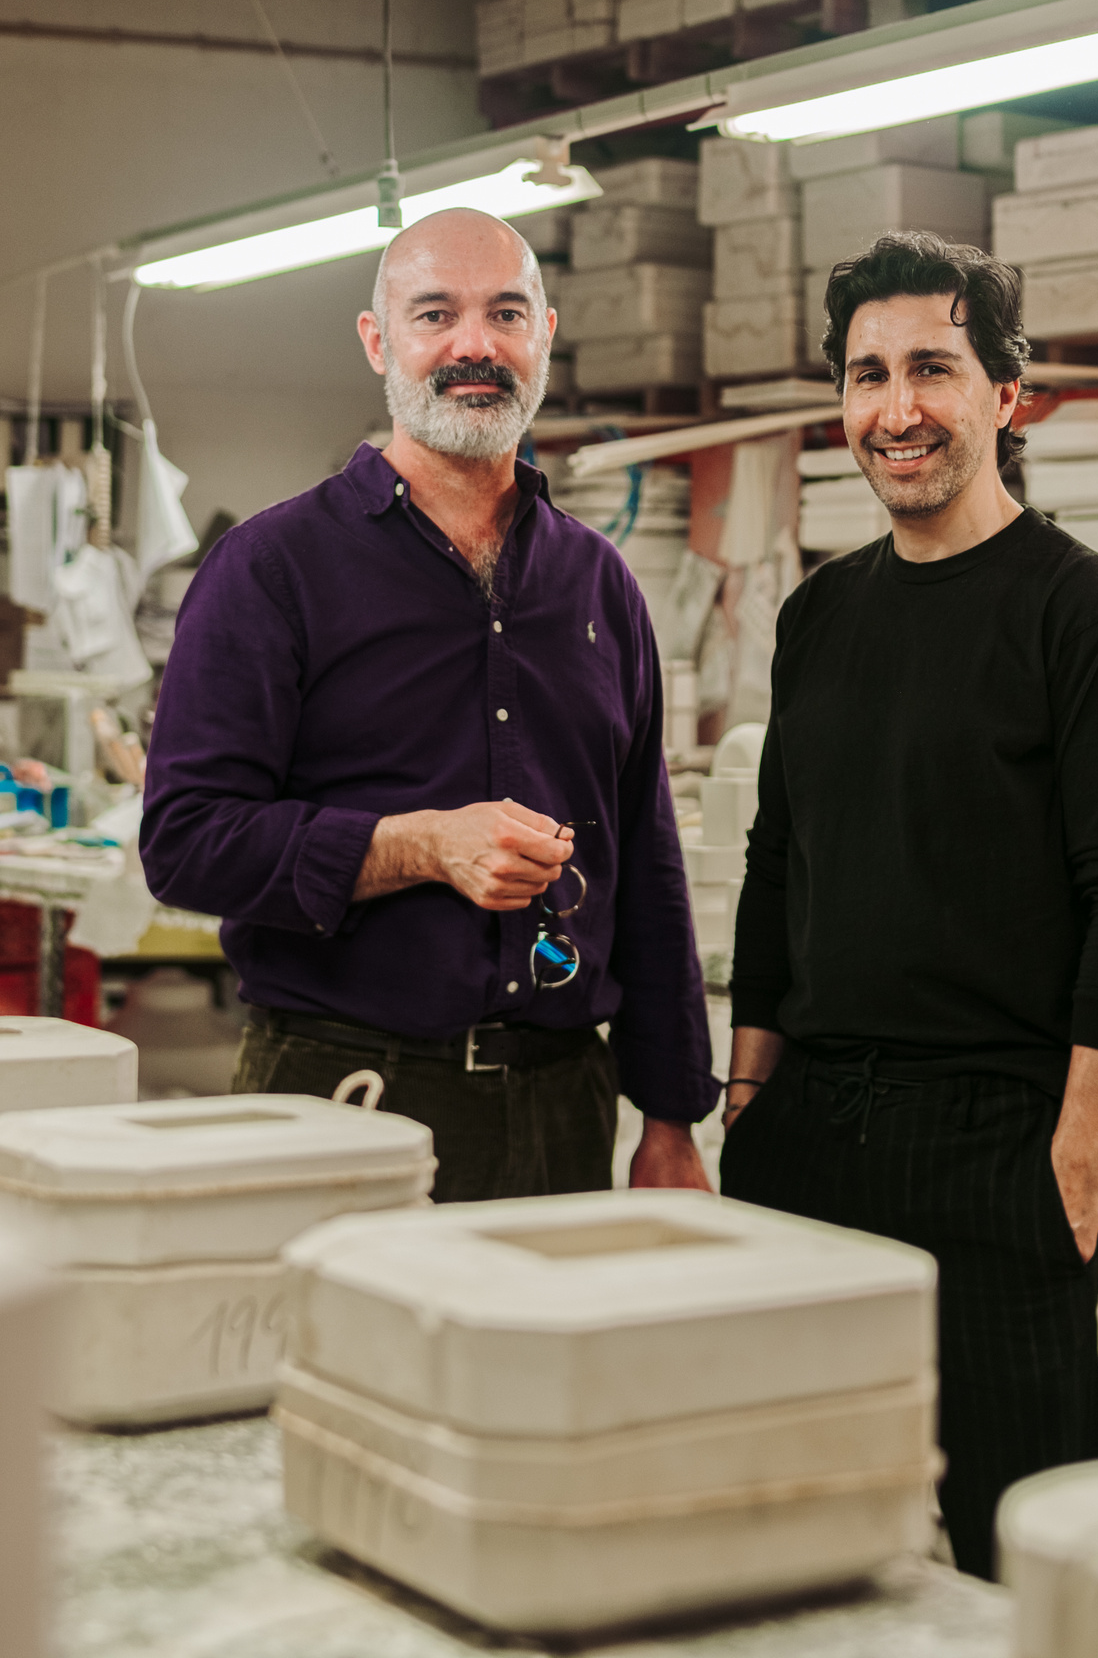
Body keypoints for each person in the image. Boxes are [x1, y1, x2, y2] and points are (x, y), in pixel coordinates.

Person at [718, 230, 1098, 1579]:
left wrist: (1078, 1151)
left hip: (997, 1139)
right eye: (868, 375)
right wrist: (749, 1098)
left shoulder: (1081, 616)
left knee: (1009, 1538)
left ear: (1004, 391)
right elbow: (778, 864)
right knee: (797, 1532)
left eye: (933, 365)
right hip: (809, 1135)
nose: (897, 407)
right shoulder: (818, 617)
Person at [141, 207, 718, 1200]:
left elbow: (646, 862)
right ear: (379, 341)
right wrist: (416, 844)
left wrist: (670, 1119)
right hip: (338, 1094)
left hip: (562, 1103)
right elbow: (187, 841)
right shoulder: (272, 570)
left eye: (504, 312)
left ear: (544, 331)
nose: (473, 345)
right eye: (435, 313)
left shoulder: (599, 584)